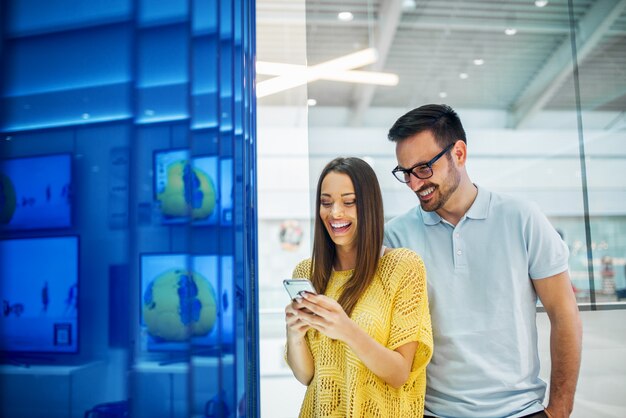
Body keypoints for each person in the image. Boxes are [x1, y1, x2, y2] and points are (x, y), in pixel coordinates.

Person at [384, 104, 582, 418]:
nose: (414, 184)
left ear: (458, 154)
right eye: (405, 172)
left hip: (520, 410)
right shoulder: (394, 237)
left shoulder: (522, 218)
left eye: (423, 168)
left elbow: (564, 313)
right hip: (433, 413)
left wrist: (559, 410)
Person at [285, 157, 433, 417]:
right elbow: (307, 376)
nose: (335, 213)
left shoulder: (403, 267)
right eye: (326, 202)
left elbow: (399, 374)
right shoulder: (307, 272)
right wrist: (294, 334)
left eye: (349, 202)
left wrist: (345, 329)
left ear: (369, 206)